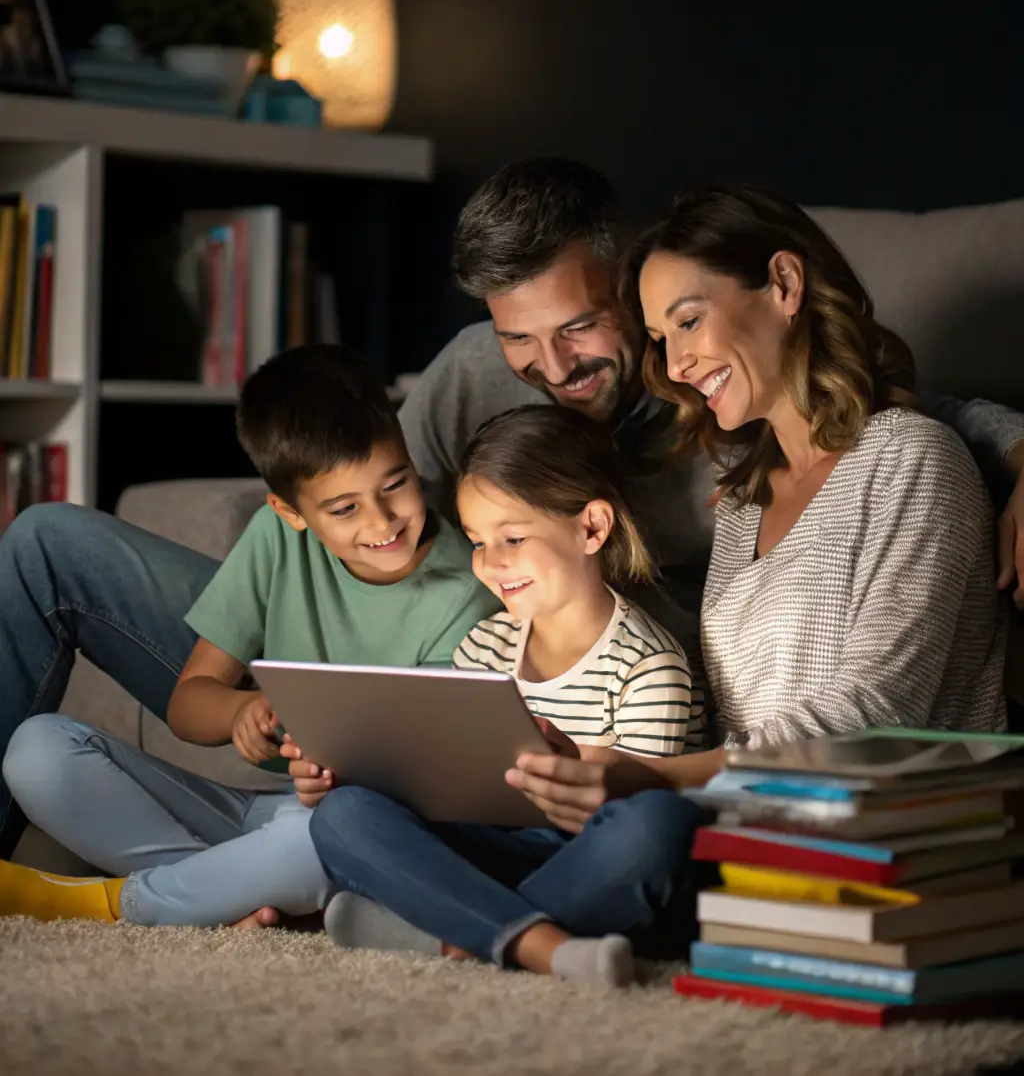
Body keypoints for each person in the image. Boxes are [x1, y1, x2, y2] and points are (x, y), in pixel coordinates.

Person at [1, 158, 1022, 862]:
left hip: (571, 705)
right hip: (408, 664)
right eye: (517, 340)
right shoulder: (470, 376)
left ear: (632, 287)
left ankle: (287, 848)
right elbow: (358, 485)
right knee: (46, 544)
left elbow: (898, 425)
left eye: (578, 328)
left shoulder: (726, 405)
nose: (549, 369)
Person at [500, 184, 1010, 836]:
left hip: (884, 833)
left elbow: (874, 716)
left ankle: (502, 921)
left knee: (628, 838)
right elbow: (733, 719)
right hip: (738, 820)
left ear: (784, 283)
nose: (677, 365)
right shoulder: (743, 497)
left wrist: (652, 776)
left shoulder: (911, 459)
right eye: (659, 338)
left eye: (687, 321)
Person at [0, 345, 496, 925]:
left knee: (325, 839)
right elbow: (189, 703)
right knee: (36, 752)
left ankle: (113, 903)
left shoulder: (467, 591)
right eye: (343, 508)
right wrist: (238, 711)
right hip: (260, 819)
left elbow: (437, 788)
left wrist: (336, 784)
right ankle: (219, 893)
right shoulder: (276, 538)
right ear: (290, 512)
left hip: (342, 823)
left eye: (396, 485)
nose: (381, 522)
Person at [305, 406, 708, 986]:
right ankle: (537, 943)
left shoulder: (649, 669)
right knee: (343, 814)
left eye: (513, 538)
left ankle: (453, 931)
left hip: (583, 863)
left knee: (655, 827)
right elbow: (449, 789)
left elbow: (631, 813)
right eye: (476, 541)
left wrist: (577, 771)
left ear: (591, 528)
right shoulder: (486, 644)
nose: (491, 564)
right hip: (490, 847)